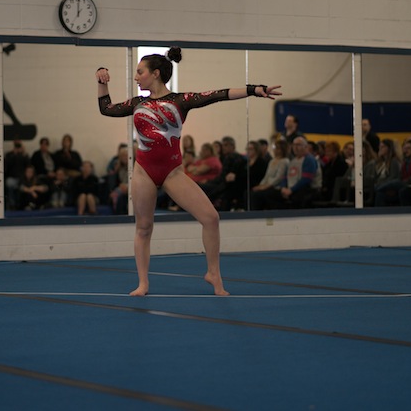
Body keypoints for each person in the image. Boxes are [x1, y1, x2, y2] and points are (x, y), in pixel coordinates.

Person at [97, 46, 281, 296]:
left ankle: (213, 273)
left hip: (172, 173)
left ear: (156, 73)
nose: (136, 77)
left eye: (140, 72)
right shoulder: (137, 103)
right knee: (144, 227)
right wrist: (102, 81)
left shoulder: (180, 101)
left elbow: (219, 95)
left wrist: (253, 89)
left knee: (211, 218)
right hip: (143, 172)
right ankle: (143, 283)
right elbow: (106, 108)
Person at [374, 136, 411, 207]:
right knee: (380, 194)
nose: (405, 151)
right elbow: (400, 175)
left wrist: (403, 181)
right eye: (405, 148)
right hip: (402, 182)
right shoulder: (406, 160)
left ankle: (378, 188)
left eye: (408, 148)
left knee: (393, 184)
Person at [5, 138, 30, 210]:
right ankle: (12, 204)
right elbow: (7, 166)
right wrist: (14, 154)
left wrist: (24, 154)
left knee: (22, 185)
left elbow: (29, 166)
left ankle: (22, 205)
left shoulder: (24, 155)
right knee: (9, 183)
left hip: (22, 178)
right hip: (12, 177)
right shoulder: (9, 154)